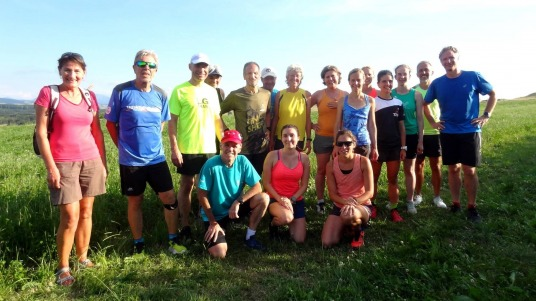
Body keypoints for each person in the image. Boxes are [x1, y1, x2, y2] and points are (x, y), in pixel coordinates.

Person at [35, 52, 107, 286]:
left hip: (91, 160)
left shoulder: (89, 97)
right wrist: (51, 168)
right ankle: (63, 267)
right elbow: (41, 133)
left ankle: (83, 257)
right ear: (60, 71)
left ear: (84, 73)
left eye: (76, 71)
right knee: (69, 216)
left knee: (87, 212)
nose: (72, 75)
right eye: (67, 70)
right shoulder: (49, 93)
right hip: (63, 162)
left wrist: (103, 164)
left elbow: (97, 131)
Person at [105, 50, 186, 255]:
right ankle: (138, 243)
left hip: (156, 158)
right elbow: (110, 124)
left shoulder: (160, 94)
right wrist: (122, 146)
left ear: (156, 70)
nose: (146, 68)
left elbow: (161, 123)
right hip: (131, 161)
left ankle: (173, 240)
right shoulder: (121, 91)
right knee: (135, 200)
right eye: (141, 64)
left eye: (150, 65)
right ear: (134, 67)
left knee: (169, 197)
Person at [424, 46, 496, 222]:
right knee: (453, 169)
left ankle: (472, 206)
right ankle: (455, 203)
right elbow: (425, 103)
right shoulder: (437, 83)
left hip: (470, 130)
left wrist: (486, 115)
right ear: (441, 62)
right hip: (448, 132)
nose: (448, 61)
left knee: (469, 170)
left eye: (451, 58)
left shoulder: (472, 76)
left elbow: (492, 93)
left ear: (457, 58)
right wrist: (433, 122)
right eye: (444, 59)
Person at [168, 53, 224, 241]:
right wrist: (174, 148)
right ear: (190, 67)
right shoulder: (179, 90)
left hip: (209, 148)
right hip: (187, 148)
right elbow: (172, 122)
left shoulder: (212, 91)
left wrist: (223, 142)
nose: (201, 70)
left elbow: (217, 120)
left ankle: (205, 220)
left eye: (204, 67)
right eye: (197, 66)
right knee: (186, 186)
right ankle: (185, 224)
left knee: (206, 187)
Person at [198, 130, 269, 258]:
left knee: (264, 198)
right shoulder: (210, 164)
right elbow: (201, 195)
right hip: (215, 216)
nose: (230, 149)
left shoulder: (242, 161)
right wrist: (213, 222)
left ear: (240, 147)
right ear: (221, 146)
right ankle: (216, 229)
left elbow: (257, 186)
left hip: (234, 209)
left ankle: (250, 237)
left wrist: (238, 201)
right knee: (219, 253)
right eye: (227, 145)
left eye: (234, 145)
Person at [321, 130, 373, 248]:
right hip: (340, 205)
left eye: (348, 143)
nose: (344, 147)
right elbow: (332, 194)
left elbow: (370, 192)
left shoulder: (363, 161)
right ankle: (347, 227)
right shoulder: (330, 165)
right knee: (327, 242)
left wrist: (353, 203)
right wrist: (346, 203)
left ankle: (358, 232)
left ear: (354, 144)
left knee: (349, 216)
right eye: (340, 144)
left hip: (362, 205)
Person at [310, 65, 348, 214]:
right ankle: (320, 201)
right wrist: (311, 125)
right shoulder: (319, 94)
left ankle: (339, 200)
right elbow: (304, 110)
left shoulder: (345, 95)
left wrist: (340, 105)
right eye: (327, 77)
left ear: (338, 77)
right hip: (322, 138)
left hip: (340, 139)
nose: (330, 79)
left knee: (339, 170)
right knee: (321, 170)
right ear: (323, 79)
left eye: (333, 76)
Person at [220, 62, 270, 175]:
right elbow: (217, 113)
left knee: (258, 178)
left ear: (259, 75)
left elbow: (268, 113)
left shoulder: (266, 94)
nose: (252, 76)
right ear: (244, 76)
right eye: (249, 73)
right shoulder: (235, 95)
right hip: (243, 149)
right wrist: (226, 130)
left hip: (261, 148)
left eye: (255, 73)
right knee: (240, 180)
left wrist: (269, 129)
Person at [263, 125, 311, 243]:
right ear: (281, 138)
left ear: (298, 137)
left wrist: (292, 199)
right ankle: (273, 224)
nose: (288, 139)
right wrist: (280, 199)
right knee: (286, 217)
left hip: (295, 199)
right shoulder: (272, 156)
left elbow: (304, 184)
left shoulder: (303, 158)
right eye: (285, 136)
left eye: (292, 135)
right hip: (275, 198)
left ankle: (290, 219)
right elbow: (266, 183)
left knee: (299, 239)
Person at [371, 70, 406, 222]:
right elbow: (370, 126)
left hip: (394, 147)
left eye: (390, 81)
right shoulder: (373, 102)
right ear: (378, 83)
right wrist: (373, 146)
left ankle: (394, 208)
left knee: (393, 179)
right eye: (384, 81)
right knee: (373, 179)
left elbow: (402, 127)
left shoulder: (398, 103)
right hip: (377, 148)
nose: (387, 84)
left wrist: (403, 147)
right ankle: (371, 206)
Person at [413, 61, 447, 208]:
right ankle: (418, 195)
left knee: (436, 166)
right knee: (418, 166)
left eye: (426, 70)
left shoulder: (438, 88)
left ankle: (437, 197)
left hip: (435, 132)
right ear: (416, 73)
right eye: (420, 70)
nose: (423, 72)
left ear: (432, 72)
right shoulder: (413, 91)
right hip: (418, 133)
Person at [392, 64, 424, 215]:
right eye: (399, 74)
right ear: (395, 76)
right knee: (394, 170)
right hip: (394, 136)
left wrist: (420, 140)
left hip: (411, 135)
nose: (402, 76)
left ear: (409, 75)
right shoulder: (390, 94)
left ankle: (410, 201)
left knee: (409, 170)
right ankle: (394, 200)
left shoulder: (416, 95)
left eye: (404, 74)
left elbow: (419, 119)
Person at [334, 68, 378, 159]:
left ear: (363, 80)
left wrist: (375, 147)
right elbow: (338, 124)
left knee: (363, 170)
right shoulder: (342, 101)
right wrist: (336, 145)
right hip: (345, 144)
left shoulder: (370, 101)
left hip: (364, 143)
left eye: (358, 80)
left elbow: (372, 125)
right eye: (353, 80)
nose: (356, 83)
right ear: (349, 82)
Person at [269, 65, 312, 153]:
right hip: (281, 137)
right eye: (292, 75)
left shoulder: (306, 95)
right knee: (280, 164)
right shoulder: (280, 94)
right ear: (287, 77)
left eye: (297, 76)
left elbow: (307, 119)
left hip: (298, 138)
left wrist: (308, 139)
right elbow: (276, 117)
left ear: (301, 78)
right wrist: (272, 137)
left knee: (296, 164)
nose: (294, 78)